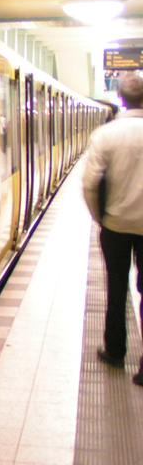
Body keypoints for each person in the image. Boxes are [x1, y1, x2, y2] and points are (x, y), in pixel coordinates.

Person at [82, 72, 143, 386]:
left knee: (116, 289)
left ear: (121, 99)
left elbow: (91, 184)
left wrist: (100, 218)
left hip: (116, 225)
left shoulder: (106, 135)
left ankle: (116, 351)